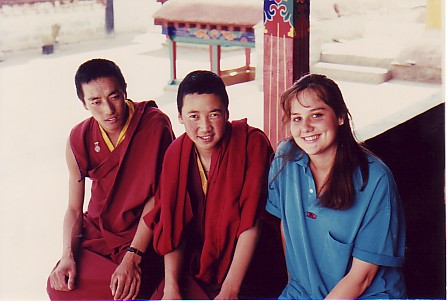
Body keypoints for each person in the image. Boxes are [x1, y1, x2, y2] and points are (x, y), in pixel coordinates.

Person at [145, 70, 285, 299]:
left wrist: (230, 290)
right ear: (179, 116)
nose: (205, 127)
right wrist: (171, 287)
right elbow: (172, 226)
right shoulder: (176, 154)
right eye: (193, 116)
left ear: (227, 113)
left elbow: (252, 222)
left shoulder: (251, 144)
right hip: (195, 264)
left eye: (214, 114)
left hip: (249, 265)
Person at [266, 73, 407, 299]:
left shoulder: (374, 180)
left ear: (340, 116)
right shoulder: (286, 160)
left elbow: (363, 278)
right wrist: (297, 282)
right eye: (297, 118)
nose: (306, 127)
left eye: (317, 115)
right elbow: (287, 226)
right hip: (303, 293)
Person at [47, 58, 175, 300]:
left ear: (125, 89)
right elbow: (74, 210)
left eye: (114, 97)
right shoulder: (79, 138)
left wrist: (132, 256)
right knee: (60, 287)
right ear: (84, 103)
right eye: (96, 102)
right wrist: (67, 257)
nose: (108, 110)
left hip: (144, 233)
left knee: (130, 287)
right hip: (100, 233)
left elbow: (160, 196)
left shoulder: (154, 124)